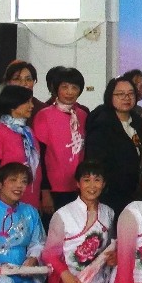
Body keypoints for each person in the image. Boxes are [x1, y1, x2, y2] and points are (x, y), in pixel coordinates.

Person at [42, 161, 117, 283]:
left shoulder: (108, 213)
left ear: (103, 184)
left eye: (97, 180)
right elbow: (49, 254)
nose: (92, 185)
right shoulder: (63, 214)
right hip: (68, 281)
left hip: (97, 280)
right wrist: (66, 275)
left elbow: (108, 248)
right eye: (86, 180)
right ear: (78, 183)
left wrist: (112, 258)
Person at [86, 76, 142, 218]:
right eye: (120, 94)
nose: (126, 98)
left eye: (130, 93)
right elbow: (96, 162)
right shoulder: (102, 124)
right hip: (111, 194)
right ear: (110, 96)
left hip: (135, 192)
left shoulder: (139, 122)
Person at [32, 66, 88, 212]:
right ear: (56, 89)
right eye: (64, 87)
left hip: (79, 186)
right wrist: (44, 191)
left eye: (74, 87)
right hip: (53, 188)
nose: (69, 92)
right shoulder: (44, 115)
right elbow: (38, 156)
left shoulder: (83, 115)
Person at [0, 85, 42, 210]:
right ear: (13, 104)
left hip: (30, 200)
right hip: (5, 202)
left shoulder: (28, 132)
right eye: (27, 102)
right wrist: (0, 199)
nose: (32, 106)